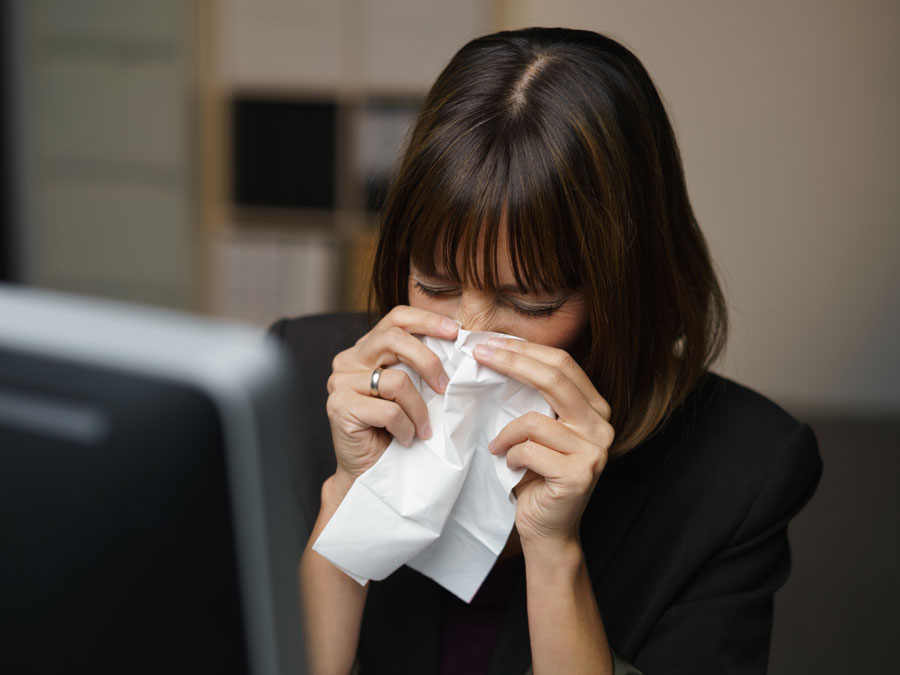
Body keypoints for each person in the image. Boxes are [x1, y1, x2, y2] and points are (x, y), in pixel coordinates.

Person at [268, 27, 822, 675]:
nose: (468, 332)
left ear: (621, 292)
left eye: (529, 302)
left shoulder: (738, 472)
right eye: (435, 284)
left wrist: (555, 552)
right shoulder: (299, 377)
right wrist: (351, 495)